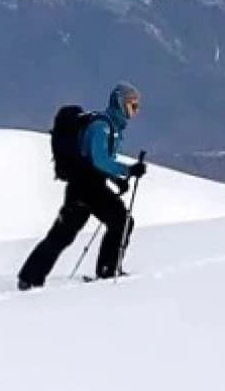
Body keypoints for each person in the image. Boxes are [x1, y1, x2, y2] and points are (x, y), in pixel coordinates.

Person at [17, 83, 150, 289]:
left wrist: (117, 180)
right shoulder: (102, 127)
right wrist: (127, 171)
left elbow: (96, 160)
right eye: (133, 106)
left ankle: (29, 277)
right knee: (121, 222)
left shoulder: (107, 125)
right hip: (89, 188)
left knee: (64, 234)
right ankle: (107, 270)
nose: (136, 111)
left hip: (82, 187)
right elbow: (99, 160)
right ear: (121, 104)